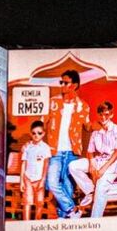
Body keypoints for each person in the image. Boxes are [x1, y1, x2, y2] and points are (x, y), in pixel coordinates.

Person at [43, 70, 93, 218]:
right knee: (52, 183)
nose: (62, 85)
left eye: (65, 82)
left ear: (75, 85)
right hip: (55, 151)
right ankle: (72, 209)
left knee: (68, 188)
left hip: (72, 153)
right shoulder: (53, 102)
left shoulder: (82, 106)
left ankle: (63, 219)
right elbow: (42, 122)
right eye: (61, 82)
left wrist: (99, 126)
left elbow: (88, 127)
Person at [17, 121, 51, 220]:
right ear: (31, 133)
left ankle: (36, 223)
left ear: (43, 133)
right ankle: (26, 223)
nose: (36, 135)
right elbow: (24, 163)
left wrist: (43, 180)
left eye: (39, 133)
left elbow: (46, 165)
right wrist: (21, 181)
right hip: (28, 178)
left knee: (39, 202)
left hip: (39, 179)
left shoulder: (45, 148)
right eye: (34, 133)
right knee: (27, 202)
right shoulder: (27, 147)